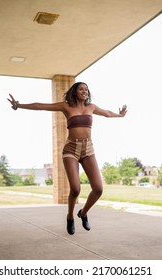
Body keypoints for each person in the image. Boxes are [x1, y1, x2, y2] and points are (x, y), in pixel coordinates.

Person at [7, 82, 127, 235]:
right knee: (75, 189)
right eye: (81, 89)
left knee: (98, 189)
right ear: (75, 92)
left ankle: (83, 213)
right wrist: (19, 105)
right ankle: (70, 217)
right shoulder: (66, 106)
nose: (84, 91)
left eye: (86, 89)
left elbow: (108, 113)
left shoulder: (92, 107)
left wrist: (120, 115)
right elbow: (40, 106)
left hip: (88, 149)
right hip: (71, 149)